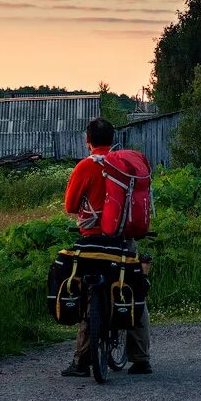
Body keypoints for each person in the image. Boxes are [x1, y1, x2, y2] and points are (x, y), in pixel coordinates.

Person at [60, 116, 153, 377]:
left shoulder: (85, 167)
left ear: (88, 141)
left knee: (88, 292)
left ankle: (81, 361)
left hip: (92, 240)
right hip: (124, 239)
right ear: (113, 140)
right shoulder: (124, 165)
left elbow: (70, 206)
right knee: (134, 291)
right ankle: (141, 358)